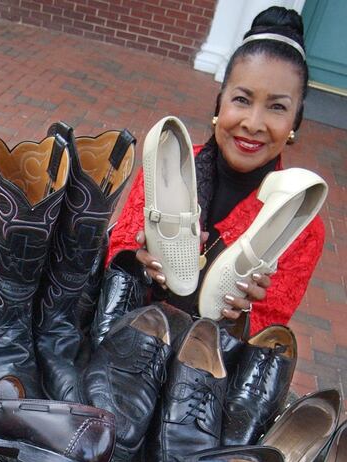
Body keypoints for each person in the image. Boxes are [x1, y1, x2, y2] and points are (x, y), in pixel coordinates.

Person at [107, 6, 324, 334]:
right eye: (241, 99)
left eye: (277, 107)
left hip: (211, 367)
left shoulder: (304, 227)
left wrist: (245, 316)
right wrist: (137, 263)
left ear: (296, 123)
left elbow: (269, 329)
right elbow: (116, 254)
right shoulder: (166, 167)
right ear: (219, 105)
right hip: (134, 338)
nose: (252, 123)